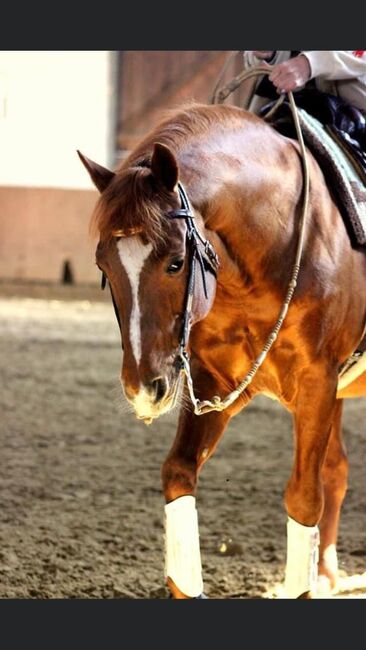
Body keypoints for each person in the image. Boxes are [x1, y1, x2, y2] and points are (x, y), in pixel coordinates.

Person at [242, 51, 366, 117]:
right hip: (277, 98)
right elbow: (251, 58)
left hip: (351, 104)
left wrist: (311, 63)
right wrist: (270, 54)